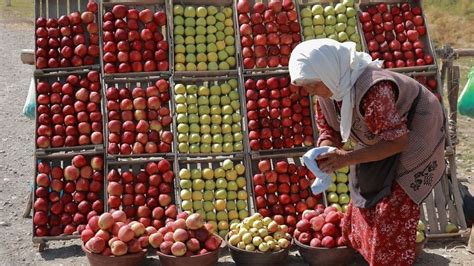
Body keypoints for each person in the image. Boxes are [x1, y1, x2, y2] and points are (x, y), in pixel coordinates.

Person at [289, 39, 446, 265]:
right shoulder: (327, 93)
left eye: (313, 84)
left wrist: (348, 158)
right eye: (306, 86)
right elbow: (329, 128)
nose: (310, 91)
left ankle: (389, 259)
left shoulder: (374, 89)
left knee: (393, 203)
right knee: (364, 190)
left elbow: (397, 142)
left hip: (415, 131)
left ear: (329, 71)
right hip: (381, 135)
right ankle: (369, 253)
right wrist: (325, 147)